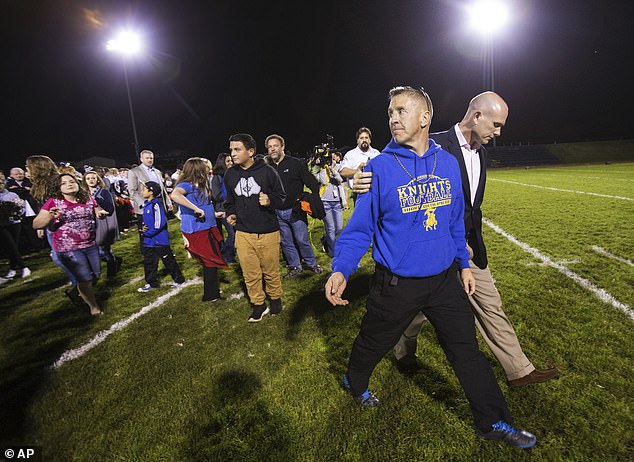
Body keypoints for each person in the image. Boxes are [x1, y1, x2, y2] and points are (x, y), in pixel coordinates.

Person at [325, 86, 536, 449]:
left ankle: (494, 421)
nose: (393, 118)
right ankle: (355, 382)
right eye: (390, 112)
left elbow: (456, 222)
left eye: (402, 111)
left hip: (443, 283)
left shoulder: (448, 163)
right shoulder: (378, 169)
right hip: (396, 284)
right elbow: (359, 229)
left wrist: (464, 265)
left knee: (466, 351)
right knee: (372, 344)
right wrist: (342, 268)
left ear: (425, 118)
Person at [353, 91, 559, 389]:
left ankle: (520, 370)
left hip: (468, 249)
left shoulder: (482, 153)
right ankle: (403, 352)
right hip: (430, 246)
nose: (498, 132)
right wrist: (361, 179)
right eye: (496, 125)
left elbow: (472, 207)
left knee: (490, 304)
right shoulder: (434, 144)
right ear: (477, 116)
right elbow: (392, 160)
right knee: (415, 311)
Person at [224, 133, 286, 322]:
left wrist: (270, 200)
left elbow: (282, 198)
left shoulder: (267, 171)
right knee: (250, 273)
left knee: (271, 270)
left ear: (251, 152)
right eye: (232, 150)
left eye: (237, 149)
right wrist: (231, 213)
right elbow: (229, 202)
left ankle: (275, 300)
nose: (233, 154)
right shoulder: (230, 174)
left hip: (268, 231)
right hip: (243, 232)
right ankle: (258, 304)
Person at [33, 173, 108, 315]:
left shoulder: (87, 198)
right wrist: (50, 216)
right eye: (64, 183)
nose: (69, 184)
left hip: (89, 244)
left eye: (72, 181)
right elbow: (36, 224)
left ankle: (75, 292)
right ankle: (93, 307)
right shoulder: (54, 202)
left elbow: (96, 208)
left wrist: (100, 212)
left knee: (95, 276)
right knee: (84, 278)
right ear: (58, 187)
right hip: (68, 247)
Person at [26, 155, 83, 305]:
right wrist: (42, 225)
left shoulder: (58, 181)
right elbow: (42, 207)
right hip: (51, 226)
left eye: (28, 167)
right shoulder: (36, 186)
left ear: (38, 167)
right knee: (60, 258)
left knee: (68, 256)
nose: (27, 170)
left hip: (65, 224)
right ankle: (78, 286)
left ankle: (80, 287)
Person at [265, 134, 323, 278]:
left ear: (282, 147)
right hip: (277, 212)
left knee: (302, 239)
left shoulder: (295, 163)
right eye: (270, 146)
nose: (272, 149)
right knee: (286, 242)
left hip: (295, 210)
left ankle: (312, 264)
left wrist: (311, 198)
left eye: (275, 146)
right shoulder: (267, 168)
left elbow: (313, 183)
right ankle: (295, 267)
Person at [171, 158, 227, 302]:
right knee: (210, 261)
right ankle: (210, 295)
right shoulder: (187, 185)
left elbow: (203, 204)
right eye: (204, 167)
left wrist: (214, 214)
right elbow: (175, 195)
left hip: (207, 226)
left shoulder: (200, 184)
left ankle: (212, 292)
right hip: (197, 229)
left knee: (211, 261)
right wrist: (195, 209)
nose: (208, 169)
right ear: (197, 169)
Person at [137, 181, 185, 293]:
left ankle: (179, 279)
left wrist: (147, 233)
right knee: (149, 262)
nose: (142, 191)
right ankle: (152, 282)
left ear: (151, 192)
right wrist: (142, 228)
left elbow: (159, 223)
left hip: (159, 240)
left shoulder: (156, 204)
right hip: (149, 241)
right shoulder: (146, 204)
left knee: (168, 260)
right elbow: (146, 222)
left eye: (144, 189)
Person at [84, 169, 122, 278]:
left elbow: (110, 208)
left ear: (98, 180)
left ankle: (112, 270)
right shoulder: (83, 193)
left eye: (93, 178)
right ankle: (115, 260)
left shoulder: (103, 191)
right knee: (94, 249)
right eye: (88, 178)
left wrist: (96, 201)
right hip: (90, 223)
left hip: (102, 222)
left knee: (105, 249)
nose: (91, 180)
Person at [310, 150, 345, 258]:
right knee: (331, 228)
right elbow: (324, 181)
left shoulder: (338, 167)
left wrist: (333, 169)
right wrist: (320, 166)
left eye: (332, 159)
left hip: (337, 202)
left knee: (339, 228)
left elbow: (340, 179)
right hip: (325, 202)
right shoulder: (321, 169)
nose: (330, 161)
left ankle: (325, 240)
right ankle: (333, 253)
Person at [0, 171, 31, 282]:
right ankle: (24, 267)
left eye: (2, 183)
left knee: (14, 246)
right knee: (11, 245)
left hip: (15, 223)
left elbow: (21, 208)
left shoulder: (12, 194)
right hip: (2, 225)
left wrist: (17, 211)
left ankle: (12, 270)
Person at [339, 127, 381, 204]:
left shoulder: (377, 153)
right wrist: (357, 171)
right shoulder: (351, 154)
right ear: (357, 140)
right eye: (361, 138)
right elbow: (342, 171)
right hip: (359, 193)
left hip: (376, 192)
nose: (364, 140)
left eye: (366, 138)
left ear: (370, 140)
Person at [128, 150, 173, 221]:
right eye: (147, 158)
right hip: (145, 206)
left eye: (151, 158)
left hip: (160, 202)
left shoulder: (157, 171)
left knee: (162, 226)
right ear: (141, 159)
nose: (149, 160)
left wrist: (168, 202)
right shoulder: (134, 172)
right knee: (148, 230)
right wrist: (144, 203)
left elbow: (162, 189)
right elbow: (132, 191)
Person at [6, 167, 41, 252]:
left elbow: (32, 191)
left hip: (33, 207)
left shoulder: (29, 181)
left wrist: (19, 189)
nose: (19, 175)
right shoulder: (9, 183)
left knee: (38, 226)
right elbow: (14, 192)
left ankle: (42, 245)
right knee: (26, 229)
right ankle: (33, 247)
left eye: (20, 174)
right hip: (21, 210)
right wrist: (24, 189)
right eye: (16, 174)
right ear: (11, 175)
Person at [211, 153, 236, 263]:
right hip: (223, 209)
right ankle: (227, 254)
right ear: (222, 163)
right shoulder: (217, 178)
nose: (231, 163)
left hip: (232, 208)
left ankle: (229, 254)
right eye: (228, 161)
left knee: (235, 232)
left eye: (231, 160)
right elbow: (216, 195)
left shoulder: (231, 174)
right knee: (232, 233)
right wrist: (231, 195)